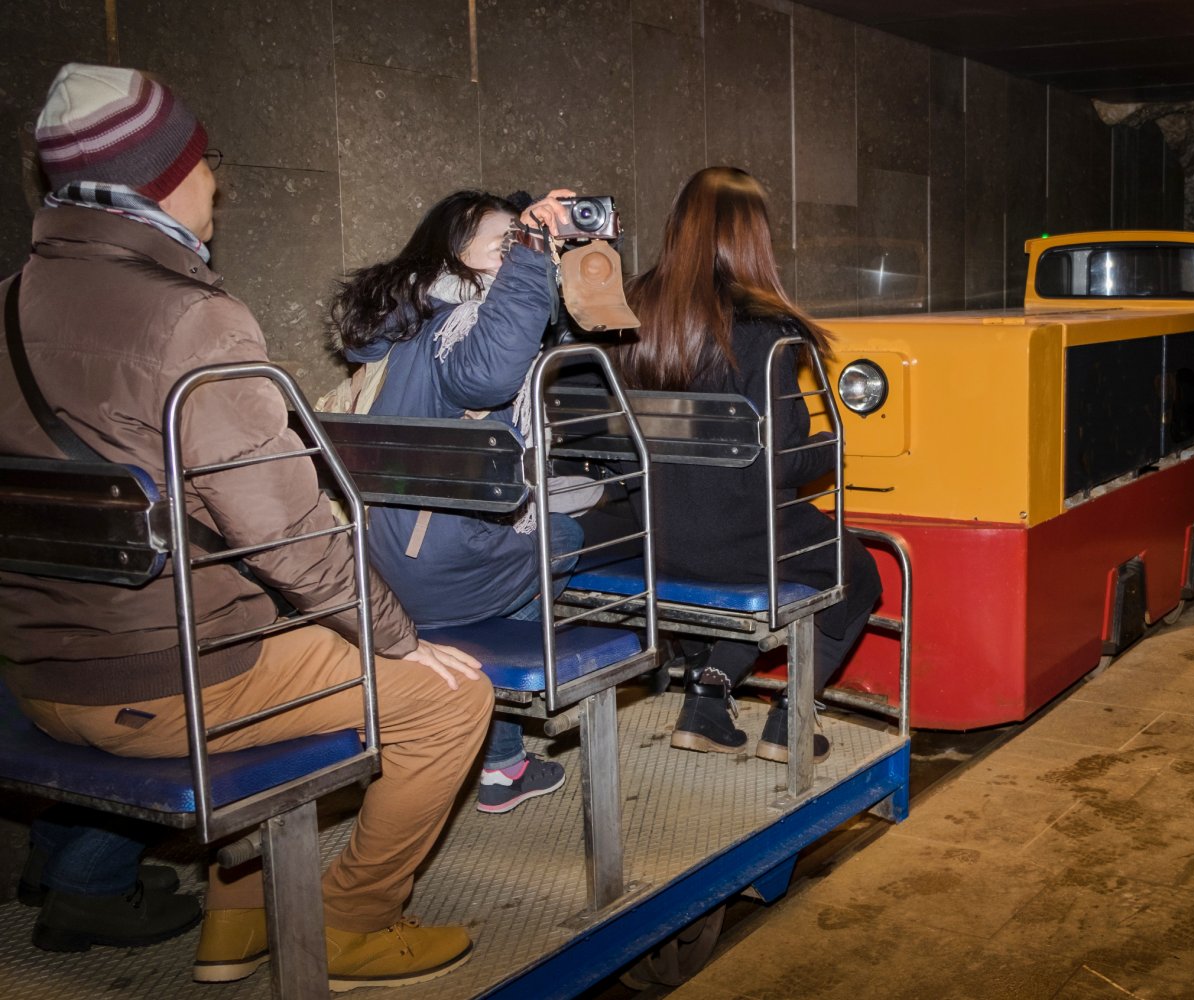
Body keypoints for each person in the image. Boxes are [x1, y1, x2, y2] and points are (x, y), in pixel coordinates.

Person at [0, 63, 493, 990]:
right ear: (159, 175)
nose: (217, 181)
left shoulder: (3, 308)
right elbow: (289, 533)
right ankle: (351, 923)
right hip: (172, 680)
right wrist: (399, 639)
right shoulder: (192, 319)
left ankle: (233, 925)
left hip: (37, 676)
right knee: (448, 700)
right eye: (205, 159)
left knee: (300, 648)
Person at [614, 166, 883, 763]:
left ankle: (707, 700)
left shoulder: (630, 307)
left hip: (655, 539)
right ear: (751, 237)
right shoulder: (767, 329)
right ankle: (792, 718)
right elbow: (785, 461)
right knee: (856, 571)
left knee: (773, 558)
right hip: (743, 543)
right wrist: (832, 443)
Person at [330, 189, 582, 814]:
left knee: (538, 521)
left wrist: (563, 262)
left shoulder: (404, 321)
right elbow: (491, 374)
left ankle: (495, 754)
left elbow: (556, 333)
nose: (517, 254)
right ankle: (495, 749)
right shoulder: (459, 326)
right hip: (429, 574)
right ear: (456, 256)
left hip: (370, 562)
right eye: (503, 245)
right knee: (567, 534)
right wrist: (530, 259)